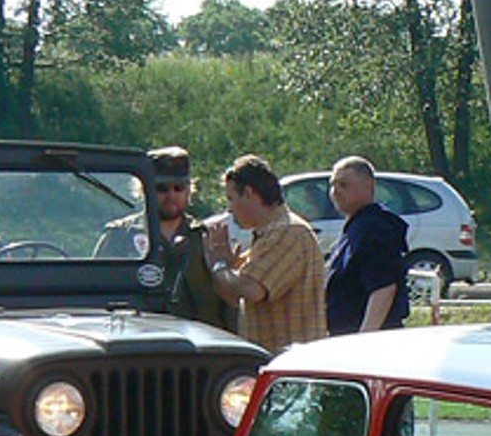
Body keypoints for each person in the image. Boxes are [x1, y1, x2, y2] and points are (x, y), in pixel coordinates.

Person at [96, 147, 232, 331]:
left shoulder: (205, 237)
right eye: (161, 189)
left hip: (196, 342)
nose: (171, 196)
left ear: (189, 191)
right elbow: (97, 291)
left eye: (179, 188)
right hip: (135, 337)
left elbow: (227, 299)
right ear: (144, 190)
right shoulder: (120, 236)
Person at [203, 154, 327, 352]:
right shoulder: (267, 236)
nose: (230, 209)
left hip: (291, 364)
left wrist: (221, 266)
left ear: (249, 193)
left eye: (231, 198)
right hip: (273, 359)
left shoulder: (288, 232)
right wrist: (225, 267)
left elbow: (253, 290)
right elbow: (234, 296)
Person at [324, 156, 408, 335]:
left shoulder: (374, 228)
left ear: (369, 186)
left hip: (373, 343)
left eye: (344, 185)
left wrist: (364, 339)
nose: (335, 191)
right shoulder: (356, 227)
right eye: (333, 185)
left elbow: (384, 287)